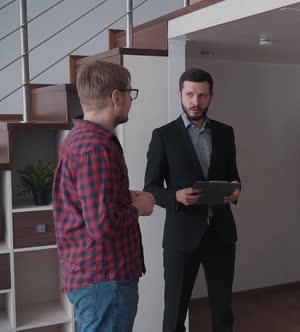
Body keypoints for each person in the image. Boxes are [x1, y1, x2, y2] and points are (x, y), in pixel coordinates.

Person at [53, 61, 155, 331]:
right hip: (105, 279)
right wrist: (140, 207)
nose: (131, 101)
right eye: (130, 94)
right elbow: (102, 225)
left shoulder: (80, 139)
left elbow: (91, 204)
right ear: (116, 96)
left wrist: (124, 197)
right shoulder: (95, 148)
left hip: (95, 279)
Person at [144, 68, 241, 332]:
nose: (195, 102)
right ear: (180, 94)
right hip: (181, 236)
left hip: (221, 233)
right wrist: (174, 195)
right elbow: (150, 188)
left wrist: (235, 189)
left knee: (223, 309)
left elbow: (233, 175)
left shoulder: (225, 132)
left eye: (202, 95)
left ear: (211, 96)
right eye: (189, 94)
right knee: (175, 310)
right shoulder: (163, 136)